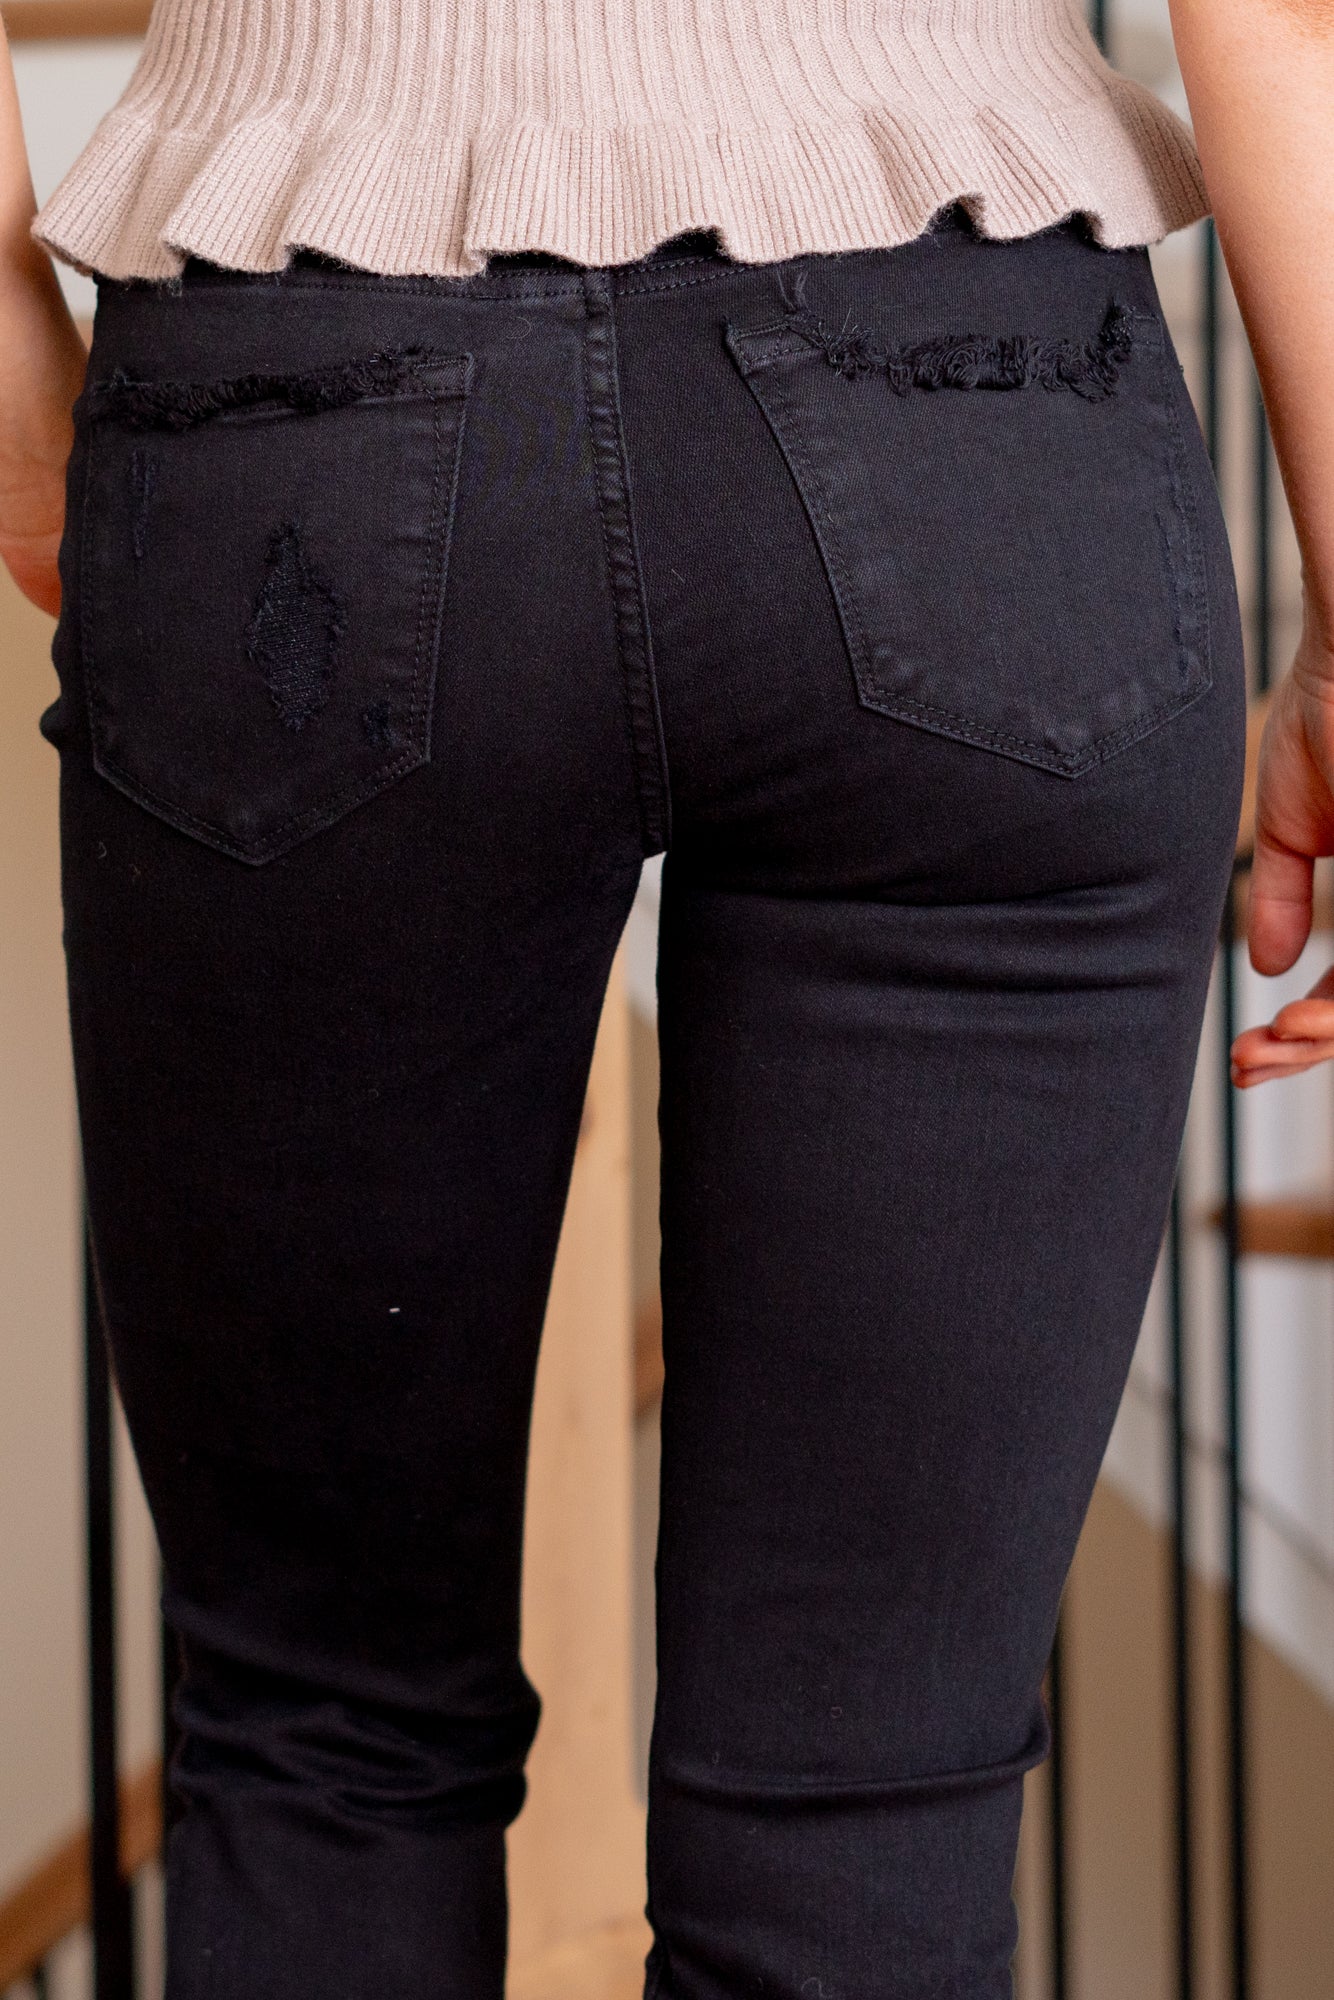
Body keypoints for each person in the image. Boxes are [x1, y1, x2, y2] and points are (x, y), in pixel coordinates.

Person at [0, 1, 1329, 1994]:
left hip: (299, 388)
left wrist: (24, 417)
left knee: (323, 1748)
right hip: (977, 393)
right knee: (868, 1806)